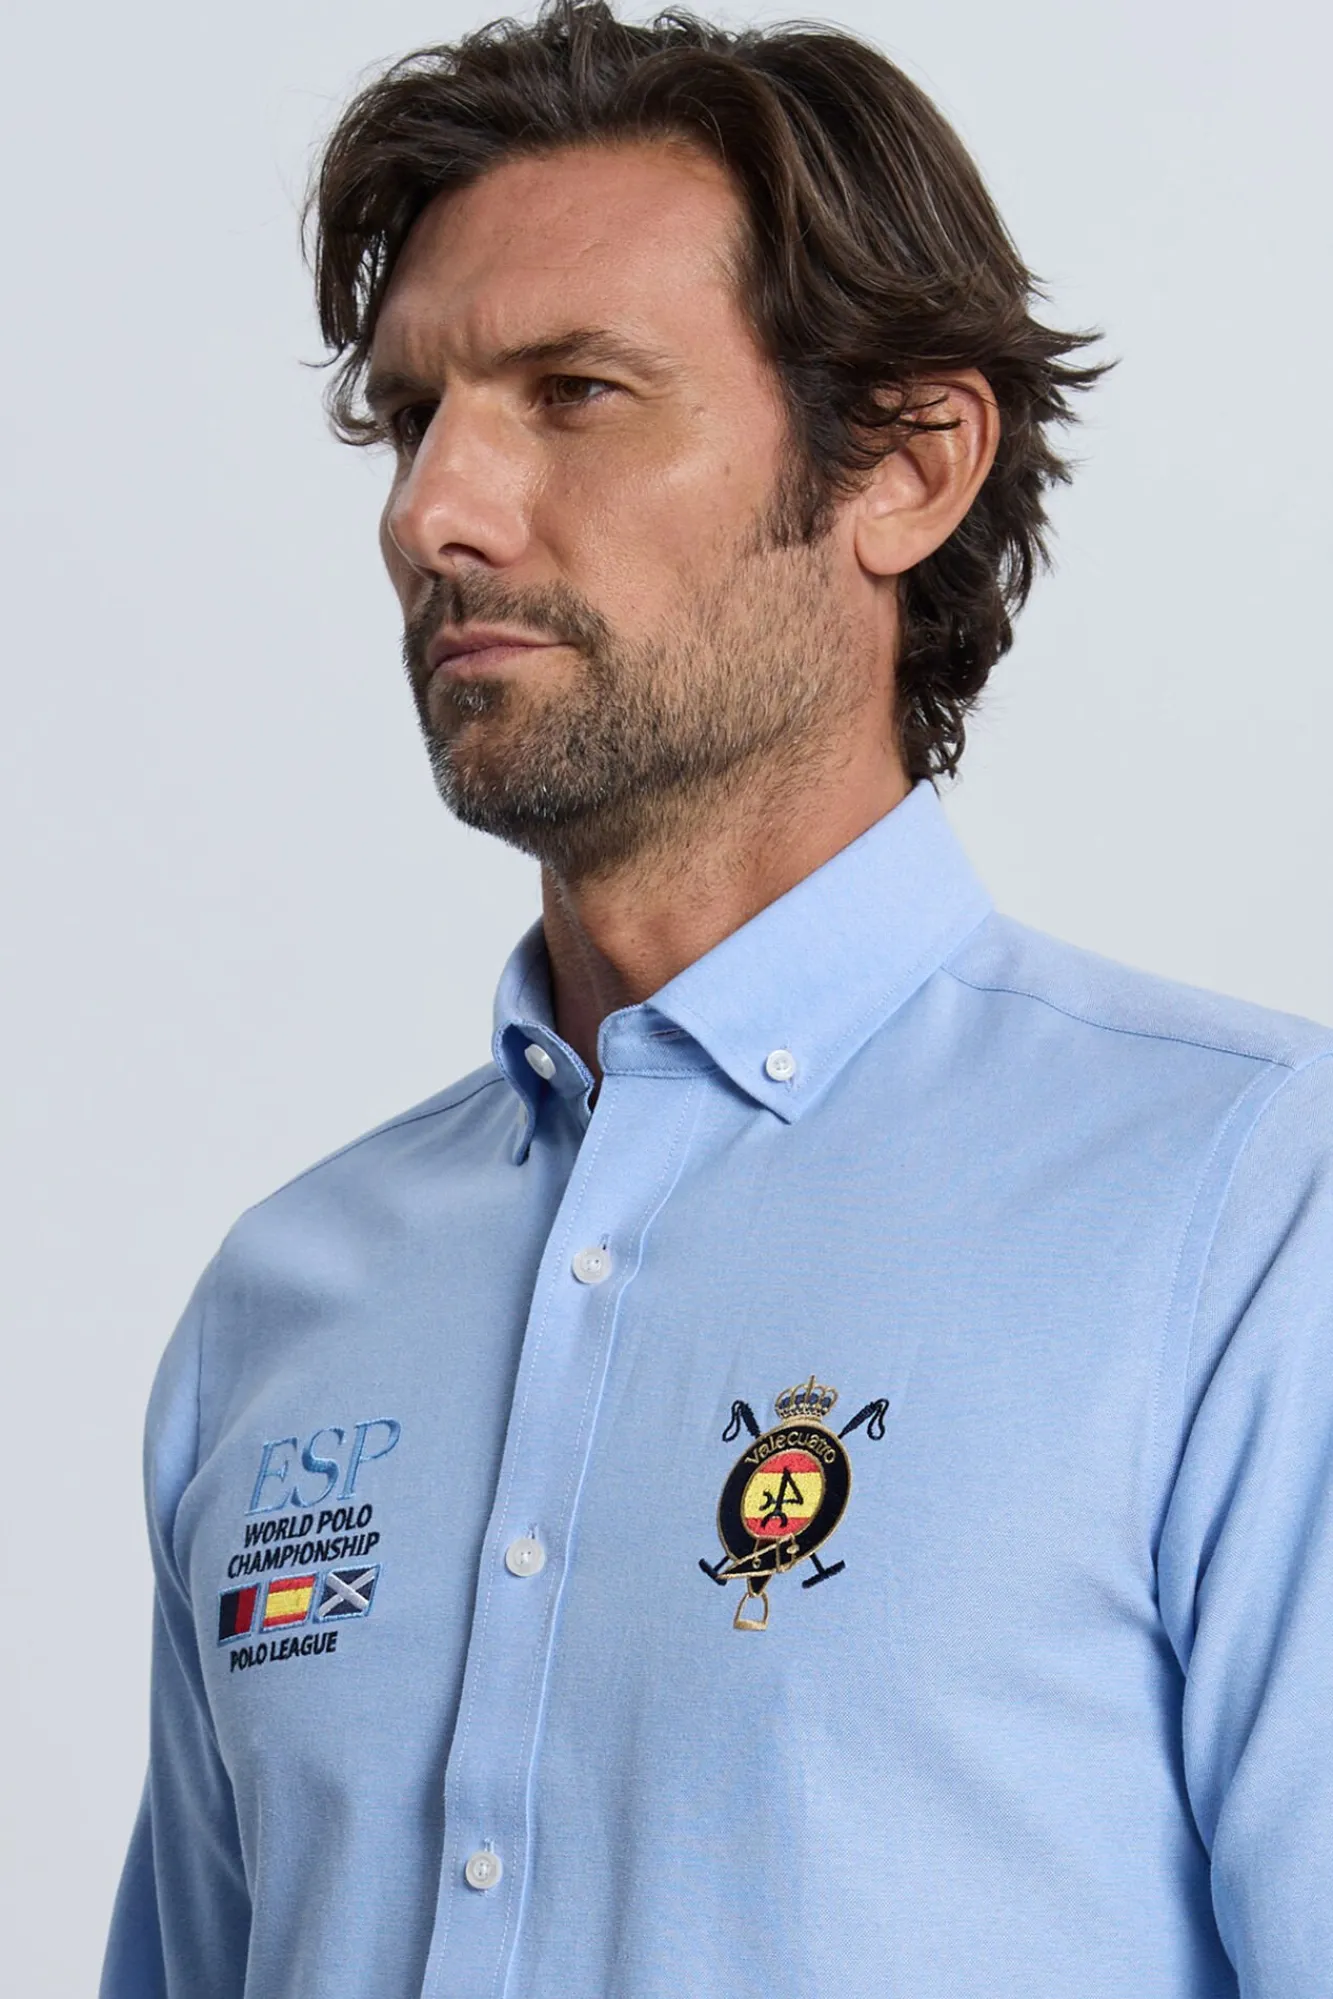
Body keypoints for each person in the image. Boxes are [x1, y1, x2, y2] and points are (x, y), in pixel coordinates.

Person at [101, 3, 1333, 1994]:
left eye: (574, 392)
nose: (433, 511)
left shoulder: (1254, 1213)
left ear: (908, 465)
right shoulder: (283, 1307)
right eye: (414, 419)